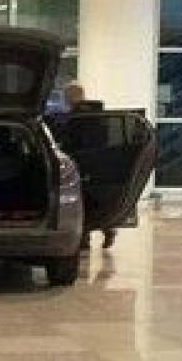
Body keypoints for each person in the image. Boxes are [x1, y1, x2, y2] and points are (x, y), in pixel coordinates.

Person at [52, 83, 118, 250]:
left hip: (80, 162)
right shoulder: (98, 115)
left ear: (70, 97)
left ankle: (85, 238)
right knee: (94, 200)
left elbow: (70, 141)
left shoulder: (75, 118)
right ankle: (106, 229)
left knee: (80, 201)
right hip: (98, 163)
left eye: (66, 96)